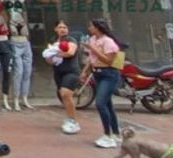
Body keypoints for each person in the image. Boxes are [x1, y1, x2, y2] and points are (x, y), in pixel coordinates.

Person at [81, 18, 122, 148]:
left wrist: (93, 48)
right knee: (107, 104)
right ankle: (115, 133)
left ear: (98, 28)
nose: (89, 28)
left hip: (109, 74)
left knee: (100, 103)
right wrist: (85, 71)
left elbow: (108, 60)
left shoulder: (108, 41)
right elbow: (91, 59)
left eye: (91, 26)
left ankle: (107, 134)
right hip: (97, 73)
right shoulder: (92, 39)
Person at [47, 21, 81, 135]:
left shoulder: (71, 40)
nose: (62, 29)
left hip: (71, 71)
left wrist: (57, 54)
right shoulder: (52, 41)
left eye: (65, 27)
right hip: (58, 72)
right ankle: (69, 117)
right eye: (60, 27)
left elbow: (70, 52)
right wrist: (50, 58)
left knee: (65, 93)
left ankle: (73, 121)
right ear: (55, 29)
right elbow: (48, 58)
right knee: (62, 95)